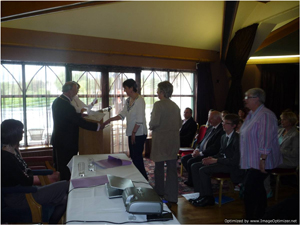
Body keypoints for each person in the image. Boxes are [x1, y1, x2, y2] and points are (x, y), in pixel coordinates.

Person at [1, 119, 69, 224]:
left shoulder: (12, 150)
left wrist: (26, 169)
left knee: (64, 199)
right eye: (21, 130)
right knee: (67, 185)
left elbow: (26, 170)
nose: (23, 132)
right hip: (20, 198)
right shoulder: (6, 157)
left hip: (26, 191)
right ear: (14, 133)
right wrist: (28, 172)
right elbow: (27, 180)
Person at [239, 88, 282, 220]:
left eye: (248, 96)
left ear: (257, 99)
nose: (244, 99)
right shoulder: (252, 114)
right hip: (253, 160)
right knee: (257, 189)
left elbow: (266, 138)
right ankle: (261, 215)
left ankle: (251, 218)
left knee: (248, 190)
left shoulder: (265, 115)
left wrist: (263, 159)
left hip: (262, 160)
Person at [189, 114, 244, 207]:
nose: (223, 124)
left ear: (234, 126)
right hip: (223, 162)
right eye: (223, 122)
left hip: (232, 166)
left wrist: (215, 160)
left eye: (226, 123)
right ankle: (200, 195)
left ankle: (208, 198)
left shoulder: (238, 139)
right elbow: (220, 153)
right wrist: (210, 158)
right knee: (195, 166)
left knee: (203, 170)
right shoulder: (223, 137)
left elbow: (235, 161)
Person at [51, 81, 101, 180]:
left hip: (60, 140)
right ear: (70, 90)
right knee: (66, 169)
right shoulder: (65, 105)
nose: (77, 92)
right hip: (66, 142)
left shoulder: (59, 101)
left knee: (62, 167)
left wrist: (79, 115)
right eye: (76, 89)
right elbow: (78, 122)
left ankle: (65, 187)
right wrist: (98, 126)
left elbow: (68, 117)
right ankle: (66, 191)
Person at [102, 79, 148, 180]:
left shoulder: (140, 100)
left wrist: (133, 133)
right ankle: (138, 179)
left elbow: (139, 120)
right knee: (133, 157)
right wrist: (110, 119)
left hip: (139, 133)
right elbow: (122, 115)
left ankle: (143, 180)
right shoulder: (128, 101)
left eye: (125, 88)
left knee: (137, 158)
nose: (124, 91)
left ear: (131, 88)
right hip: (132, 133)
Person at [149, 81, 182, 203]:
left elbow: (154, 123)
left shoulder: (158, 105)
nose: (157, 93)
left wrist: (150, 125)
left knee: (159, 168)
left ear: (162, 92)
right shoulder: (175, 106)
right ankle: (172, 196)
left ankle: (159, 192)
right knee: (172, 169)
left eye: (158, 91)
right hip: (173, 141)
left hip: (161, 141)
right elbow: (179, 124)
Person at [181, 111, 225, 187]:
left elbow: (215, 147)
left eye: (211, 118)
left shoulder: (221, 131)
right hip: (200, 151)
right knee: (184, 159)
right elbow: (202, 141)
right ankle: (194, 179)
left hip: (209, 154)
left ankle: (195, 181)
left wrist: (201, 153)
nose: (209, 120)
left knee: (191, 161)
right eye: (209, 118)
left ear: (218, 119)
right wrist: (197, 149)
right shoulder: (210, 127)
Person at [264, 111, 299, 197]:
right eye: (281, 119)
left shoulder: (296, 135)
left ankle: (267, 190)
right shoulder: (280, 130)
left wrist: (279, 150)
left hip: (289, 161)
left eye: (284, 120)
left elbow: (295, 153)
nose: (281, 121)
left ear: (290, 121)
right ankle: (257, 186)